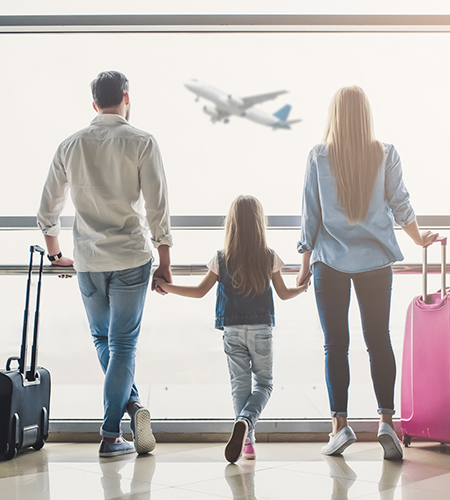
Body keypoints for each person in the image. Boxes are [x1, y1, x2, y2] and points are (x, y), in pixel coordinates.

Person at [296, 86, 438, 460]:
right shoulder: (385, 153)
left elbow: (310, 216)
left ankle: (339, 428)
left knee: (335, 345)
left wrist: (304, 262)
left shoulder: (318, 156)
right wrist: (418, 238)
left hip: (330, 262)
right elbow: (400, 203)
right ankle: (386, 422)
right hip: (375, 261)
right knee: (378, 340)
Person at [37, 71, 173, 458]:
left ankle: (127, 413)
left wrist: (54, 254)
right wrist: (165, 262)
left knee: (104, 340)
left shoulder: (71, 145)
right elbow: (157, 208)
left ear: (94, 103)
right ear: (127, 98)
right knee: (124, 344)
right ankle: (112, 430)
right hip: (132, 257)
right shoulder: (143, 141)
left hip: (89, 261)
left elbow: (48, 211)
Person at [154, 195, 309, 463]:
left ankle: (247, 443)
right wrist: (303, 287)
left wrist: (166, 286)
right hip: (261, 330)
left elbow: (200, 291)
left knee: (240, 386)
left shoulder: (222, 258)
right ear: (259, 223)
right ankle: (246, 423)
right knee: (264, 384)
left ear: (232, 224)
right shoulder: (269, 256)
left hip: (232, 330)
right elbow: (283, 294)